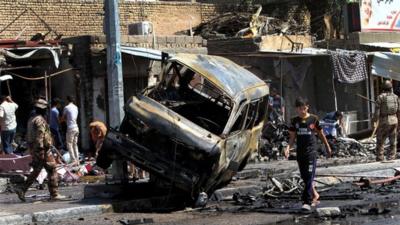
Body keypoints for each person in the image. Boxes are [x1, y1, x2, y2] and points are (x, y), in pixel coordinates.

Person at [284, 97, 332, 211]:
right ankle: (315, 195)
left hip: (311, 152)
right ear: (297, 109)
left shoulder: (313, 119)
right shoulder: (294, 121)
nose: (302, 111)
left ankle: (307, 201)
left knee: (310, 176)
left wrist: (327, 147)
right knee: (305, 177)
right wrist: (287, 148)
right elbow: (292, 138)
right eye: (300, 109)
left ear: (307, 107)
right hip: (300, 152)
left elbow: (321, 134)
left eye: (304, 108)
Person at [15, 99, 66, 201]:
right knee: (52, 169)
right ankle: (54, 194)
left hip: (35, 149)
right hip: (42, 149)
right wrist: (41, 150)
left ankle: (22, 189)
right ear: (43, 110)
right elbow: (40, 136)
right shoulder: (40, 120)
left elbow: (29, 136)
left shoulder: (31, 119)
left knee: (38, 170)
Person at [373, 80, 400, 161]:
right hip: (394, 120)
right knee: (393, 139)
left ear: (383, 88)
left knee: (380, 139)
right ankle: (392, 157)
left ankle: (380, 157)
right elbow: (399, 111)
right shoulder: (396, 97)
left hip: (384, 120)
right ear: (391, 88)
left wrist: (375, 121)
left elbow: (377, 113)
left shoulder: (380, 97)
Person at [62, 96, 79, 165]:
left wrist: (61, 120)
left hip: (70, 128)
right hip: (76, 127)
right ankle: (77, 160)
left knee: (69, 144)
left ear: (67, 100)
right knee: (75, 144)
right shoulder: (76, 107)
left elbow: (63, 118)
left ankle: (73, 160)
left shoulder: (66, 107)